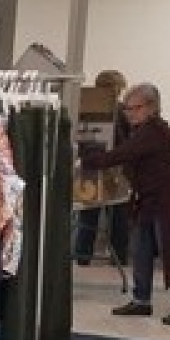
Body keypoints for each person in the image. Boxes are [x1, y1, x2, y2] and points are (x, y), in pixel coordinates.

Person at [81, 82, 170, 324]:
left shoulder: (154, 131)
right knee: (141, 251)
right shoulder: (143, 130)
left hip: (167, 202)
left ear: (151, 107)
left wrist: (84, 161)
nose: (129, 113)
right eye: (127, 109)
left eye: (134, 108)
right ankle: (141, 300)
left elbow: (122, 154)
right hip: (148, 201)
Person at [75, 69, 129, 265]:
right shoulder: (122, 111)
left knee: (88, 214)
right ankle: (119, 257)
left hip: (89, 165)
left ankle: (82, 255)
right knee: (118, 216)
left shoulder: (84, 107)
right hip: (116, 167)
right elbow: (127, 141)